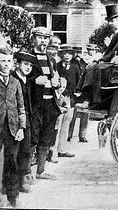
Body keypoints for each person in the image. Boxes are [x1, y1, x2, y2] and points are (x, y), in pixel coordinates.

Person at [28, 27, 61, 180]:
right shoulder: (28, 57)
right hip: (35, 105)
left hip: (50, 104)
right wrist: (34, 81)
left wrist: (57, 83)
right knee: (32, 139)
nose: (43, 41)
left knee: (46, 139)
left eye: (46, 38)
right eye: (40, 37)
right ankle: (26, 173)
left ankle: (41, 171)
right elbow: (21, 78)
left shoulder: (51, 59)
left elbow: (56, 80)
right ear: (33, 38)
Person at [0, 45, 26, 207]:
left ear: (13, 63)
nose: (5, 64)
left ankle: (12, 197)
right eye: (2, 61)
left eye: (8, 61)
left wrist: (22, 128)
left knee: (11, 162)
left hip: (12, 128)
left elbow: (21, 107)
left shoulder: (16, 82)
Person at [12, 52, 37, 193]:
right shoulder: (12, 79)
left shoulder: (27, 80)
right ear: (18, 64)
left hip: (26, 118)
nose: (28, 68)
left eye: (30, 65)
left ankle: (23, 180)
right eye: (25, 64)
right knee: (13, 151)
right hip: (14, 120)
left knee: (26, 151)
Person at [57, 44, 82, 147]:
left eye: (69, 53)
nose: (67, 55)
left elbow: (78, 83)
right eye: (64, 53)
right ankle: (52, 151)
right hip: (59, 98)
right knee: (57, 123)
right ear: (61, 54)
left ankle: (62, 149)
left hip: (70, 98)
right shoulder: (56, 66)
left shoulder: (75, 68)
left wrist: (77, 93)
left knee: (67, 122)